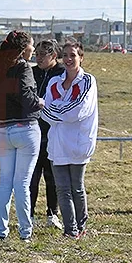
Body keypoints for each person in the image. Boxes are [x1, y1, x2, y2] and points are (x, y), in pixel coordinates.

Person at [0, 30, 42, 241]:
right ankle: (25, 232)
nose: (33, 50)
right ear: (22, 48)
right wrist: (39, 102)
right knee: (22, 184)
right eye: (31, 46)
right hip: (26, 129)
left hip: (3, 131)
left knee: (5, 182)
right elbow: (27, 96)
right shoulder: (23, 67)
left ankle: (1, 231)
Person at [42, 42, 98, 238]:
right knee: (62, 189)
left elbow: (78, 111)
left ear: (81, 57)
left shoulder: (87, 82)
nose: (68, 59)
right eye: (64, 55)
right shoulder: (54, 83)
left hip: (77, 143)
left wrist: (53, 109)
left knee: (76, 187)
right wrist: (56, 110)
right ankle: (70, 230)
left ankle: (81, 226)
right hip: (57, 144)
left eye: (72, 55)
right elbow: (45, 114)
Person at [30, 39, 65, 229]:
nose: (38, 57)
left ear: (53, 55)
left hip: (54, 131)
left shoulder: (61, 74)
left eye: (43, 54)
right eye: (37, 53)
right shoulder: (32, 72)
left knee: (52, 175)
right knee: (32, 176)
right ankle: (30, 214)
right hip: (34, 130)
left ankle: (53, 213)